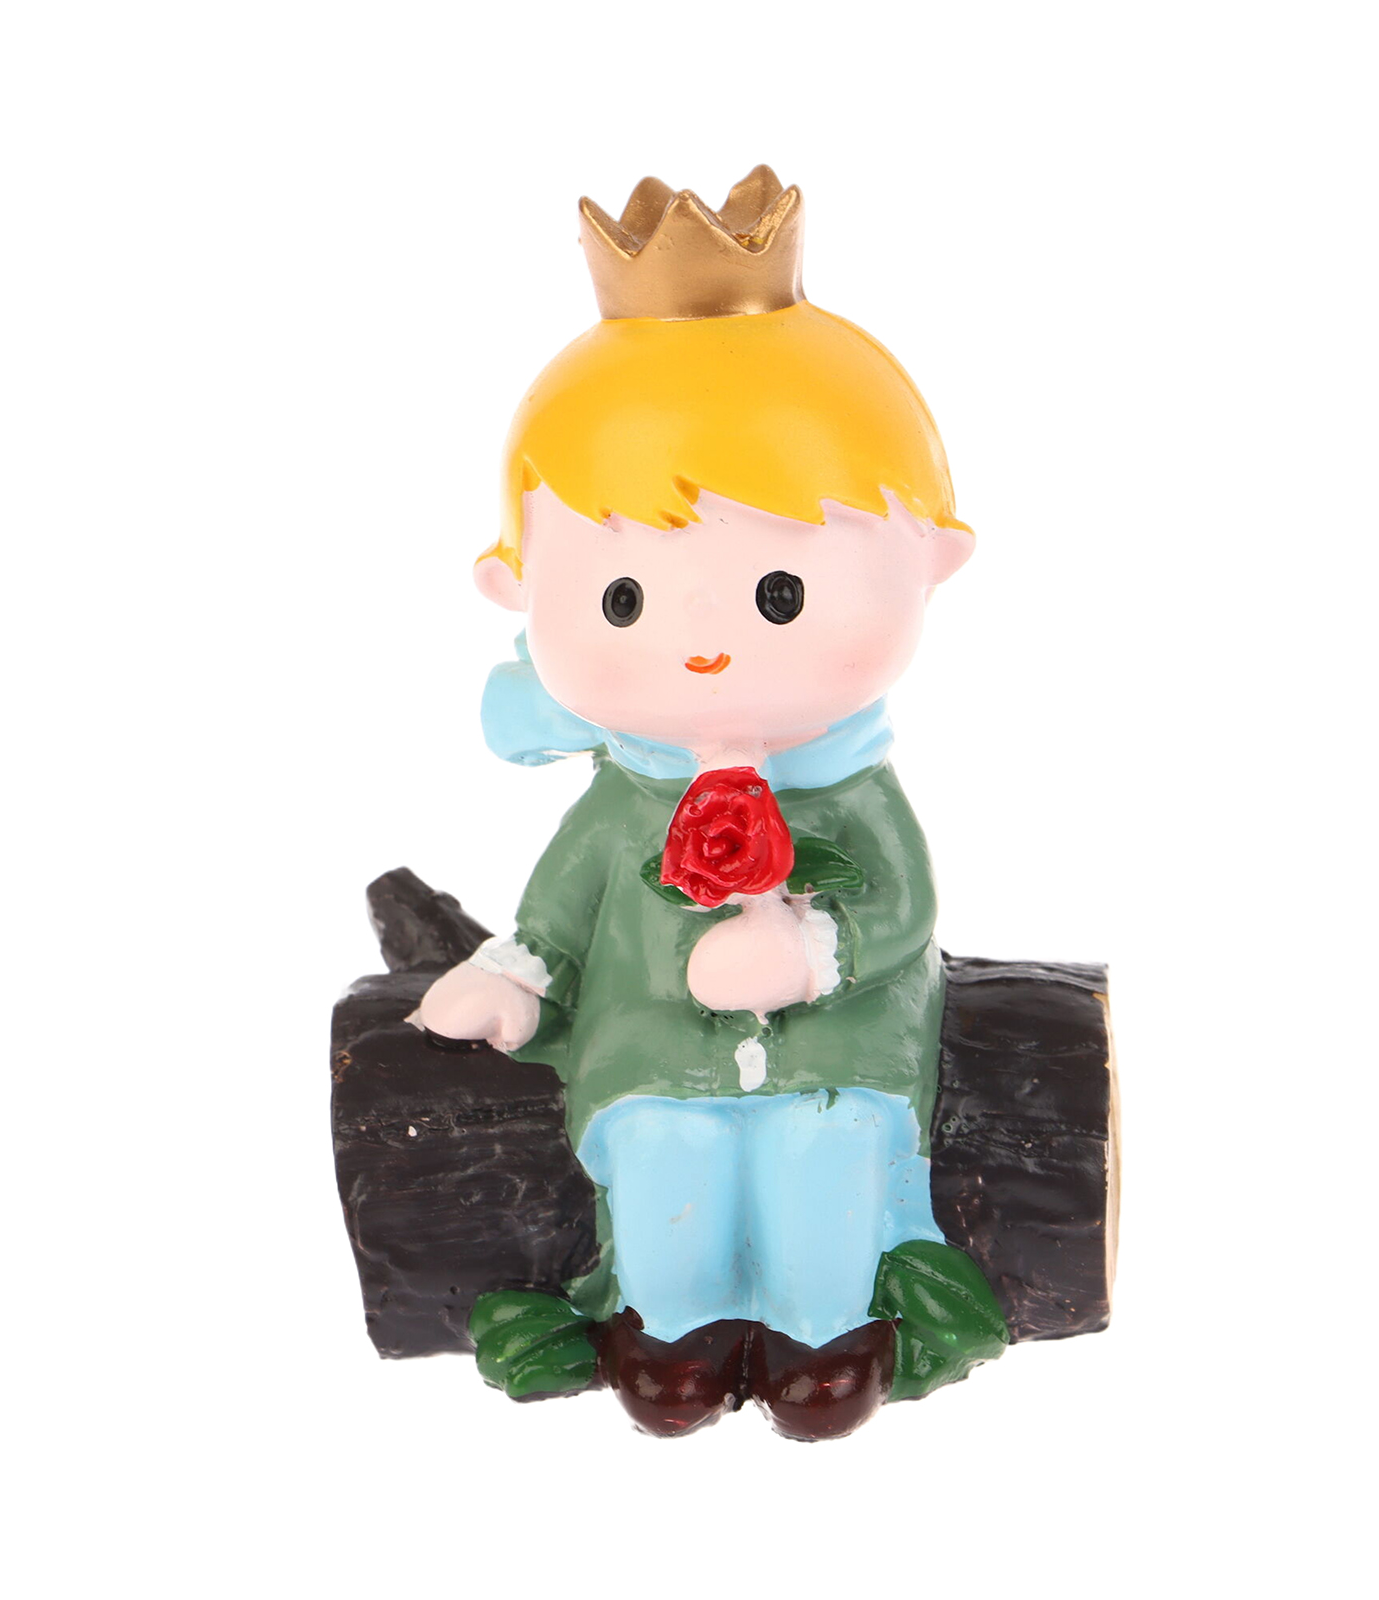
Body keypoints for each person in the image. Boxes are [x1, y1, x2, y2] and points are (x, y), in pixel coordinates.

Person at [417, 168, 1007, 1439]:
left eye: (778, 595)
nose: (704, 643)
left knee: (820, 1154)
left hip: (841, 1043)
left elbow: (897, 910)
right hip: (649, 1045)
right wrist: (513, 977)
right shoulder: (624, 799)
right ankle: (669, 1330)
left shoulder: (850, 791)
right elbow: (561, 907)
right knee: (663, 1152)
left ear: (930, 561)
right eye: (622, 598)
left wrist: (809, 951)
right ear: (517, 587)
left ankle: (824, 1331)